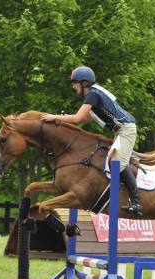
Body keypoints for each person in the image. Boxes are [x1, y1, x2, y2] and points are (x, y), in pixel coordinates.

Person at [41, 66, 142, 216]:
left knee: (118, 164)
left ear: (84, 83)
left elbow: (77, 118)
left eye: (75, 83)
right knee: (112, 161)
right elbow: (87, 118)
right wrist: (63, 119)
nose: (73, 86)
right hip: (121, 130)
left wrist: (55, 117)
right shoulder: (92, 94)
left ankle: (136, 202)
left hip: (125, 129)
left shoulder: (92, 95)